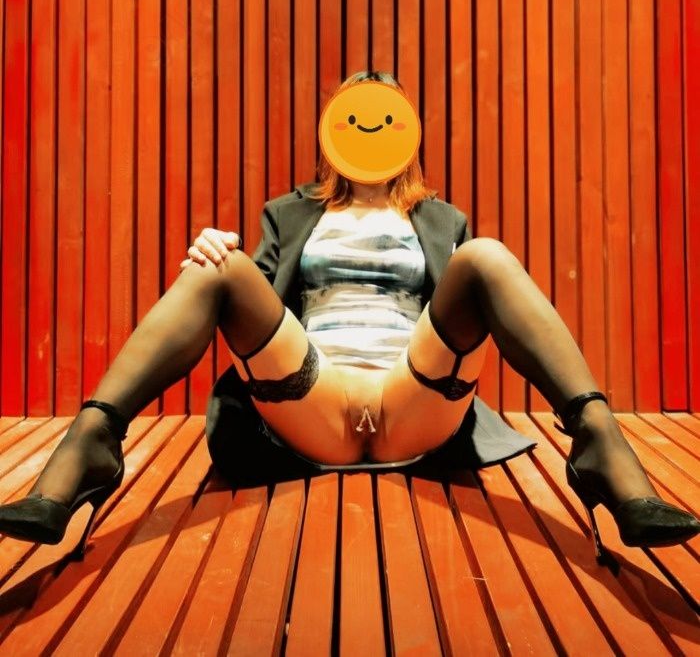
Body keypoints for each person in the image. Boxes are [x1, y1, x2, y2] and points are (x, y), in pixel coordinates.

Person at [0, 71, 698, 566]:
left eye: (387, 115)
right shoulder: (290, 214)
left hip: (415, 395)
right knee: (217, 266)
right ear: (333, 132)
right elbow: (254, 302)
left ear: (408, 134)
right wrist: (215, 250)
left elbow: (461, 316)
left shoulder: (440, 220)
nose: (371, 129)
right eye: (357, 115)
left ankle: (600, 446)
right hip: (313, 398)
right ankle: (92, 443)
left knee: (485, 255)